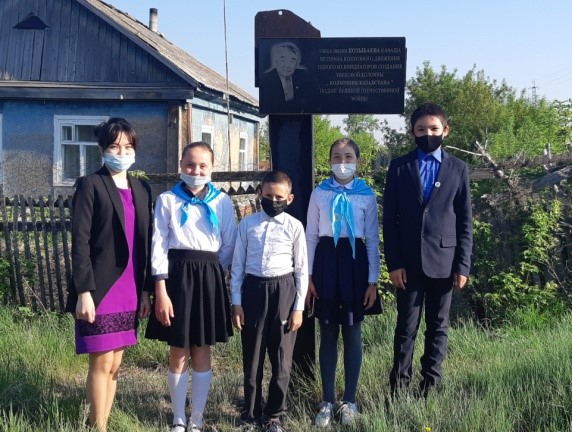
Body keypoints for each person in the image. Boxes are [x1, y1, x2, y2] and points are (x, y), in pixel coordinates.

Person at [65, 117, 153, 431]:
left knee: (116, 363)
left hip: (131, 286)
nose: (122, 152)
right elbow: (80, 241)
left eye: (128, 146)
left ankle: (102, 421)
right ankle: (97, 427)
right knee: (101, 361)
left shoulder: (141, 188)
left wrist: (146, 290)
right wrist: (84, 292)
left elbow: (145, 242)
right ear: (102, 149)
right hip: (101, 288)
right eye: (115, 146)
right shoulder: (90, 184)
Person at [383, 102, 473, 398]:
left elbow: (465, 221)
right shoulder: (399, 167)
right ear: (413, 132)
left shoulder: (458, 168)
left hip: (444, 262)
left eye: (434, 129)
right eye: (421, 129)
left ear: (445, 131)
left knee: (438, 326)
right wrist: (394, 263)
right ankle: (398, 390)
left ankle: (430, 387)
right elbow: (390, 220)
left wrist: (462, 265)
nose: (428, 134)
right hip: (407, 264)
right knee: (405, 328)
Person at [145, 141, 237, 432]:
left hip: (209, 277)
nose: (196, 171)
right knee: (178, 351)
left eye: (202, 166)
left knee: (202, 349)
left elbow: (229, 243)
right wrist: (160, 290)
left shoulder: (223, 202)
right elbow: (158, 246)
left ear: (212, 168)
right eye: (190, 165)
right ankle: (178, 418)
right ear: (181, 165)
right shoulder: (167, 200)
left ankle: (197, 418)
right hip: (176, 279)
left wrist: (213, 273)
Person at [306, 138, 381, 428]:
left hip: (355, 263)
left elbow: (372, 239)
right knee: (327, 332)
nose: (342, 162)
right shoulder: (319, 193)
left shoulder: (367, 195)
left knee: (352, 332)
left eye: (348, 157)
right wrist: (309, 276)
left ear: (358, 161)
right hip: (326, 261)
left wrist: (372, 280)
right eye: (337, 157)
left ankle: (349, 400)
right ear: (329, 161)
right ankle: (327, 400)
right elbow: (311, 236)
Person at [230, 171, 308, 432]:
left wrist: (298, 308)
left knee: (282, 358)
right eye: (268, 196)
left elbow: (301, 270)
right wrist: (236, 302)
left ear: (289, 198)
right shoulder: (247, 225)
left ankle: (274, 414)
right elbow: (237, 267)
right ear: (259, 194)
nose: (273, 201)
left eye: (279, 197)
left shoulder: (294, 226)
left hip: (284, 291)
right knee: (252, 357)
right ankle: (251, 413)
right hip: (253, 290)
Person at [259, 41, 316, 114]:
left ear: (296, 64)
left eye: (292, 61)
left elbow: (312, 102)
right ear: (276, 62)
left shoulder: (304, 76)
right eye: (283, 60)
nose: (287, 65)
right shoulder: (266, 80)